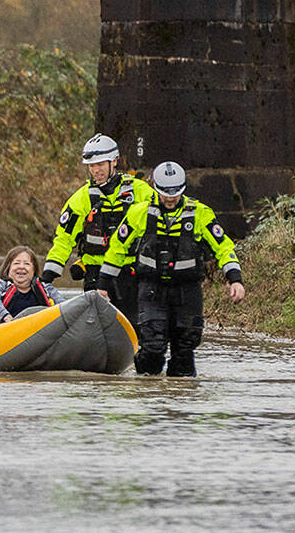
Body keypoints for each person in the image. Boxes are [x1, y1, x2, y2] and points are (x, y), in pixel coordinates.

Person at [97, 161, 246, 377]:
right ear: (156, 188)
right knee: (153, 347)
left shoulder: (200, 214)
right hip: (151, 289)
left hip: (187, 291)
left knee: (185, 348)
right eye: (165, 192)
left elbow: (223, 246)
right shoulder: (139, 213)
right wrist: (104, 284)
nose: (170, 197)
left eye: (175, 192)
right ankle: (149, 394)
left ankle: (181, 399)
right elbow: (117, 248)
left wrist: (235, 279)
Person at [42, 133, 154, 327]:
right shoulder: (81, 198)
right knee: (96, 328)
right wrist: (49, 275)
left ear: (114, 162)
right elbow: (64, 239)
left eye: (100, 164)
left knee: (136, 326)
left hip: (131, 273)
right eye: (92, 166)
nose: (96, 170)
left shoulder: (140, 192)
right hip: (95, 274)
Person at [0, 245, 66, 327]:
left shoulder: (46, 288)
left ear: (33, 269)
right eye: (16, 263)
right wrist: (6, 317)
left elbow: (64, 307)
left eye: (27, 264)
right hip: (1, 331)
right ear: (8, 268)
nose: (21, 267)